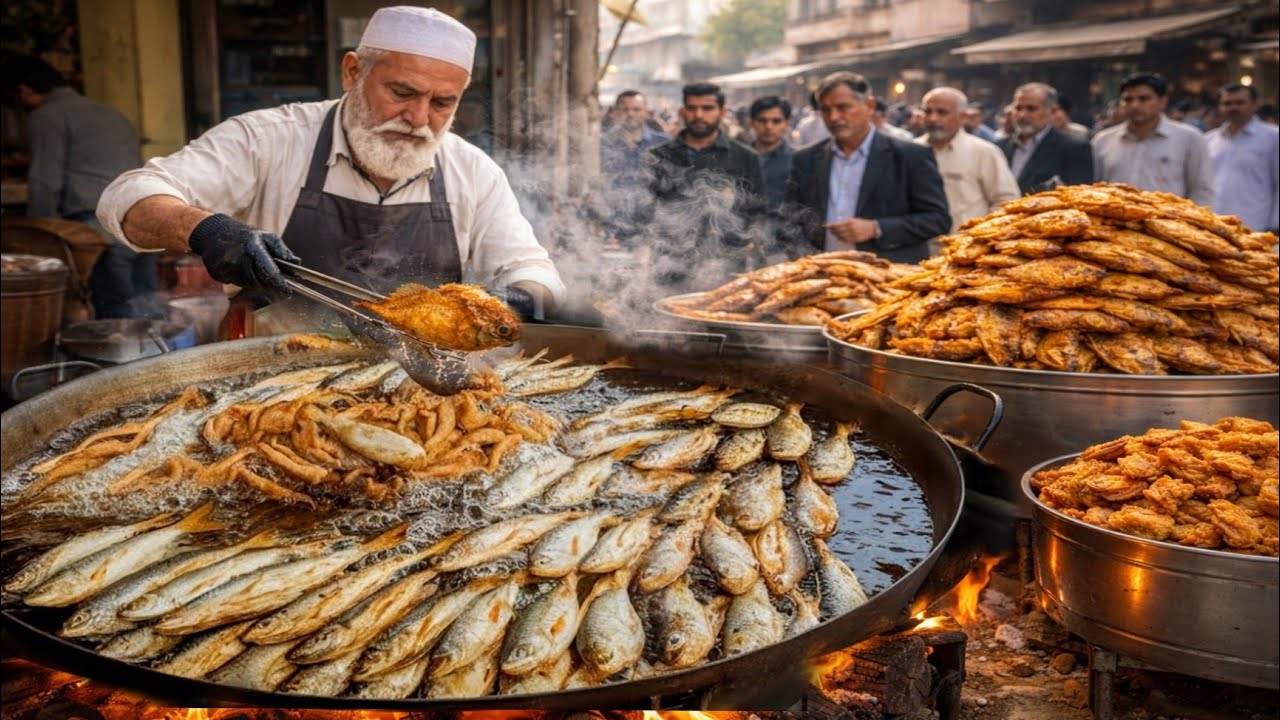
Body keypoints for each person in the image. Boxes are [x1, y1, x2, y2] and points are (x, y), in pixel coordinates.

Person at [96, 6, 564, 333]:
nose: (419, 120)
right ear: (352, 72)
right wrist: (205, 229)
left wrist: (514, 301)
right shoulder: (270, 139)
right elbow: (129, 195)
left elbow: (531, 270)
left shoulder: (473, 172)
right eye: (401, 93)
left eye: (442, 103)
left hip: (420, 384)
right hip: (266, 376)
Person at [2, 54, 159, 320]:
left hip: (100, 233)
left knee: (116, 317)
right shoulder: (110, 111)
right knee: (149, 309)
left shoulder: (46, 116)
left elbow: (44, 182)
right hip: (146, 222)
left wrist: (41, 240)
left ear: (24, 90)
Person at [782, 71, 949, 263]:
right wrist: (801, 258)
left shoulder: (910, 156)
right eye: (826, 110)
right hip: (823, 278)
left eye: (842, 107)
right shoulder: (806, 159)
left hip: (888, 279)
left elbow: (938, 220)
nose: (834, 117)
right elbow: (790, 218)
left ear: (869, 106)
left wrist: (876, 228)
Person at [641, 82, 768, 290]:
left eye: (707, 108)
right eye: (692, 108)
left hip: (726, 268)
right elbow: (646, 210)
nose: (699, 115)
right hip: (670, 267)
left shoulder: (744, 157)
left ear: (722, 111)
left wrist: (751, 240)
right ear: (683, 111)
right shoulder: (658, 157)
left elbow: (758, 212)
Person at [1092, 73, 1214, 206]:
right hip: (1114, 224)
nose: (1135, 105)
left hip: (1170, 222)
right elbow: (1094, 189)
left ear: (1162, 101)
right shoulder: (1102, 141)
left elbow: (1202, 190)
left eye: (1143, 99)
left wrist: (1193, 223)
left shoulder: (1189, 138)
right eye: (1128, 99)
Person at [916, 87, 1019, 232]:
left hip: (965, 248)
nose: (933, 118)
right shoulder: (911, 150)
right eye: (928, 111)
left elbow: (1006, 202)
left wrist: (980, 237)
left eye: (942, 112)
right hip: (917, 248)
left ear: (963, 117)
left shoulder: (984, 152)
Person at [1205, 83, 1279, 234]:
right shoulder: (1209, 140)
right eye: (1227, 103)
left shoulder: (1273, 137)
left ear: (1254, 104)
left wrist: (1275, 223)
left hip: (1256, 225)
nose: (1233, 108)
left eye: (1240, 103)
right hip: (1214, 225)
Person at [997, 82, 1094, 194]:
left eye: (1031, 109)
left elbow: (1079, 196)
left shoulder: (1074, 148)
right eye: (1018, 108)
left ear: (1052, 111)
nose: (1022, 115)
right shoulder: (999, 146)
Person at [748, 95, 794, 211]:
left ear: (786, 125)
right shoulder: (738, 157)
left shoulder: (798, 160)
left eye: (776, 121)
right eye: (762, 120)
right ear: (751, 123)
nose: (769, 126)